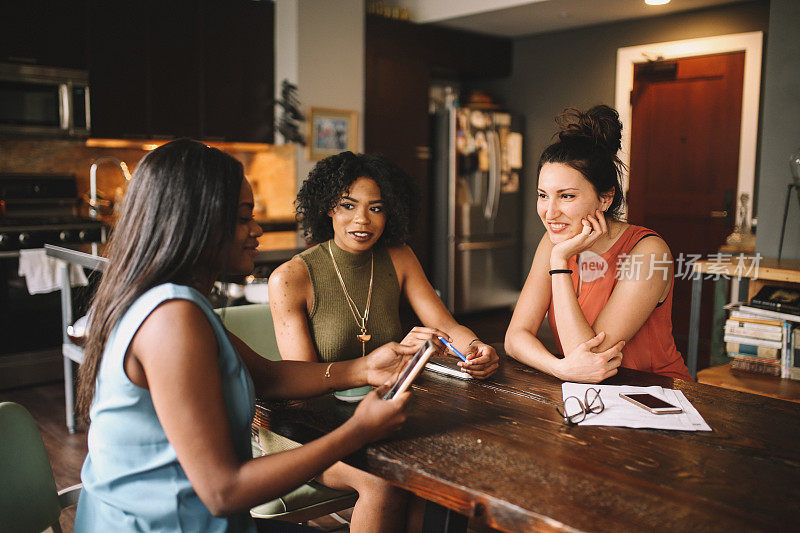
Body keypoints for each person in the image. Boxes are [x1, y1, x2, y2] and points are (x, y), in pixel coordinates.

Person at [73, 139, 417, 532]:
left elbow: (269, 377)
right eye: (242, 218)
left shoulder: (178, 302)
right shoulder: (171, 318)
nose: (256, 230)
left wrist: (364, 367)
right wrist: (356, 433)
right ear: (194, 222)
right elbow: (223, 491)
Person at [267, 151, 500, 527]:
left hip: (384, 420)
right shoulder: (292, 277)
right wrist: (379, 362)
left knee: (443, 471)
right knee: (384, 480)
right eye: (348, 205)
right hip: (311, 434)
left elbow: (446, 325)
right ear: (327, 208)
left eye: (375, 208)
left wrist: (476, 349)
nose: (362, 220)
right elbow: (304, 385)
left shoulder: (399, 257)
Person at [504, 105, 692, 382]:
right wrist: (558, 368)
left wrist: (558, 262)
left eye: (566, 196)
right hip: (588, 395)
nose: (549, 211)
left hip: (654, 394)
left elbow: (590, 359)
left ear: (605, 198)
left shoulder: (649, 252)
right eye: (543, 195)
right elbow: (514, 338)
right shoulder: (554, 241)